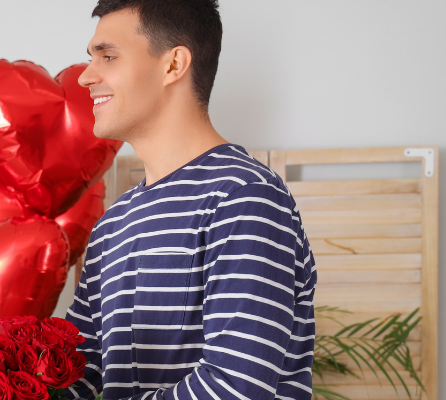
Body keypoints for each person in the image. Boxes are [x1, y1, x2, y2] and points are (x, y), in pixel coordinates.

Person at [66, 1, 317, 400]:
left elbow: (235, 389)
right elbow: (76, 371)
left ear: (173, 65)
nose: (85, 77)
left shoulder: (246, 198)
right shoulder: (113, 223)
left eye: (108, 56)